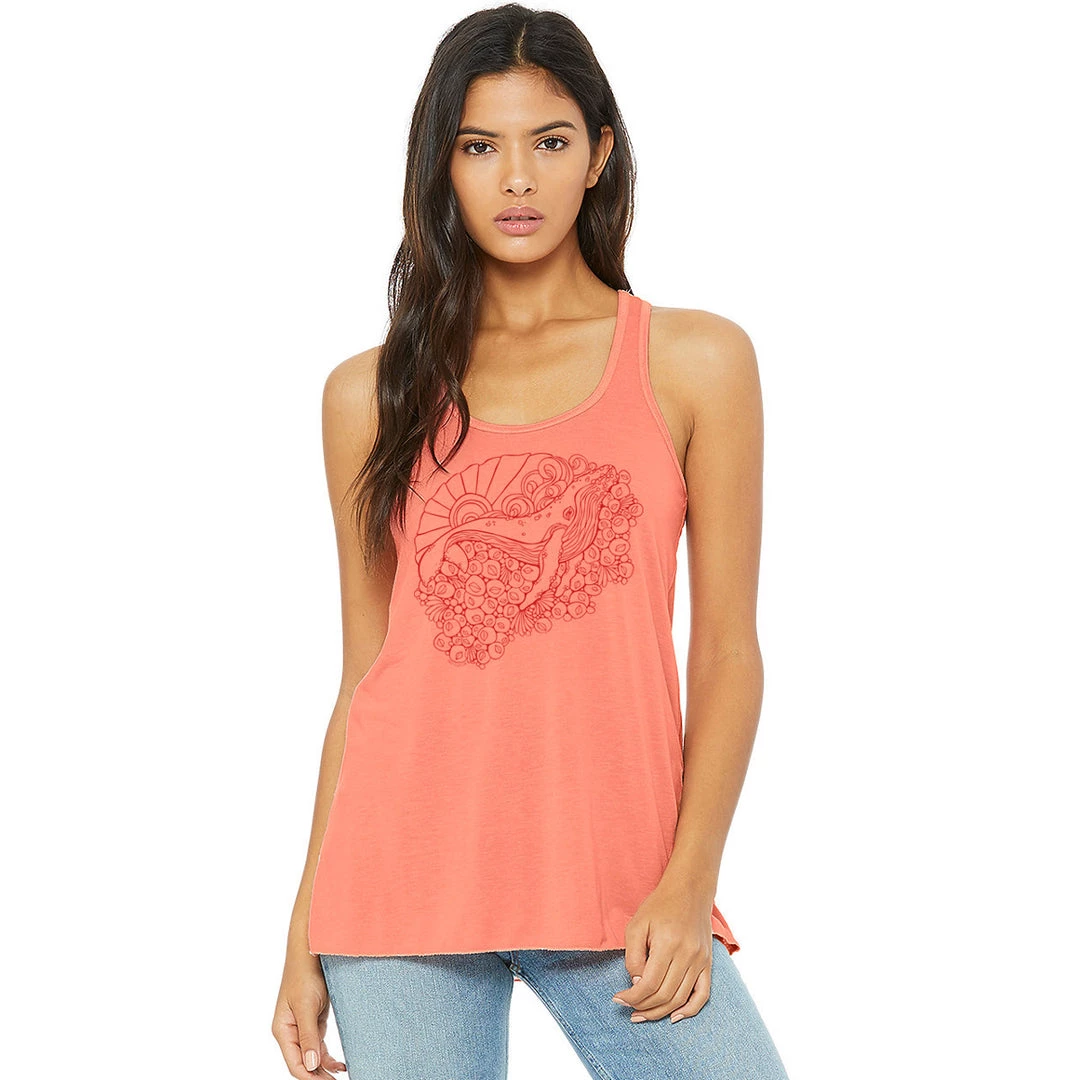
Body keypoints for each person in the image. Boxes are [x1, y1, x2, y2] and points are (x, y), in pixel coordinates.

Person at [271, 5, 790, 1078]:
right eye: (479, 146)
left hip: (620, 887)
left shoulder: (695, 362)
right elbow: (366, 676)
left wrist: (690, 880)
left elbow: (729, 651)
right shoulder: (369, 394)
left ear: (598, 155)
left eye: (549, 142)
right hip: (397, 892)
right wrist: (301, 929)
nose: (516, 179)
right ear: (442, 166)